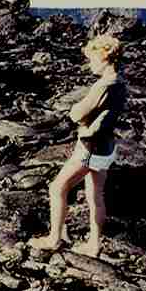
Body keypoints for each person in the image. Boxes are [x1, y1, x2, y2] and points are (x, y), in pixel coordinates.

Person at [29, 34, 128, 258]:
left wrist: (79, 114)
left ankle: (54, 238)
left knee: (57, 188)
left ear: (104, 57)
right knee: (96, 194)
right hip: (107, 146)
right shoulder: (120, 83)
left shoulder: (104, 85)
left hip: (90, 146)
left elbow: (77, 113)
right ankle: (94, 245)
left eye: (93, 58)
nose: (90, 63)